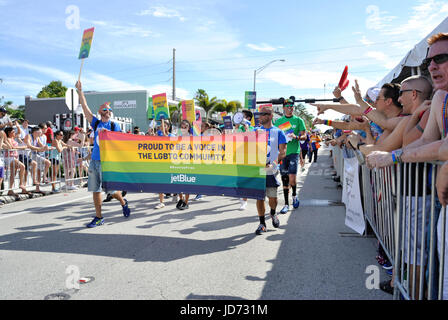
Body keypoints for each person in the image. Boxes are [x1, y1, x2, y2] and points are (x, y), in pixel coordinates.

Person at [76, 80, 130, 228]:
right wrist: (80, 91)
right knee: (95, 190)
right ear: (100, 112)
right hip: (95, 161)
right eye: (104, 110)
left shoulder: (114, 125)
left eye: (109, 110)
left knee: (112, 191)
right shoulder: (95, 123)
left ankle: (123, 202)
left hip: (108, 163)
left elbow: (120, 142)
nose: (107, 112)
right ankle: (99, 217)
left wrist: (110, 134)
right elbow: (85, 107)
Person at [255, 105, 287, 235]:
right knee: (259, 197)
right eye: (259, 114)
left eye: (262, 114)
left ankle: (273, 213)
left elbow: (283, 152)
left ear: (270, 116)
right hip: (258, 169)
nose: (259, 117)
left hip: (271, 170)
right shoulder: (256, 131)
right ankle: (262, 223)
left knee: (272, 198)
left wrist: (273, 164)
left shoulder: (278, 132)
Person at [274, 99, 306, 214]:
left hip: (294, 153)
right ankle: (286, 204)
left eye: (291, 106)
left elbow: (304, 137)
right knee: (285, 179)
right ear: (283, 108)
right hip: (283, 154)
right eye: (287, 106)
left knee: (292, 178)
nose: (290, 108)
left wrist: (296, 137)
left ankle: (294, 196)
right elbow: (274, 138)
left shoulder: (298, 120)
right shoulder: (278, 122)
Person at [3, 127, 29, 195]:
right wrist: (23, 147)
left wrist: (17, 126)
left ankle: (10, 190)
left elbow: (19, 132)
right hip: (10, 157)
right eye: (13, 132)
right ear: (9, 133)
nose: (14, 133)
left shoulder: (13, 138)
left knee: (13, 174)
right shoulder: (8, 139)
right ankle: (21, 184)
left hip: (14, 157)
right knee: (22, 166)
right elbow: (12, 147)